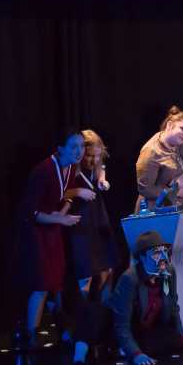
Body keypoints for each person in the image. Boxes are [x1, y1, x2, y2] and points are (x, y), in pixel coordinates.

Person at [14, 129, 84, 345]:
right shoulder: (43, 171)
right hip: (34, 231)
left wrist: (61, 215)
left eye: (82, 146)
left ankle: (61, 327)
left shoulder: (71, 167)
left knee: (57, 280)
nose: (79, 151)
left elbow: (68, 193)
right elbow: (31, 212)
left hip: (52, 228)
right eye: (73, 147)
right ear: (60, 148)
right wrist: (59, 219)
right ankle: (30, 336)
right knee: (42, 284)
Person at [108, 231, 183, 365]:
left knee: (170, 340)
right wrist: (136, 354)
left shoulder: (168, 272)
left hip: (152, 330)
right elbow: (121, 325)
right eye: (156, 253)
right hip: (134, 329)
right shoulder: (129, 279)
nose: (163, 257)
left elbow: (173, 308)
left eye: (165, 251)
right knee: (149, 346)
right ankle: (123, 349)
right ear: (142, 257)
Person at [64, 129, 118, 302]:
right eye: (89, 156)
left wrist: (102, 180)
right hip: (81, 219)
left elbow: (101, 167)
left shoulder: (97, 163)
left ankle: (102, 308)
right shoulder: (70, 168)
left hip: (98, 216)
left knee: (107, 266)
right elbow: (59, 193)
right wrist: (78, 192)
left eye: (97, 155)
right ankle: (83, 310)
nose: (93, 160)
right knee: (85, 271)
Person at [135, 106, 183, 210]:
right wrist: (175, 192)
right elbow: (145, 189)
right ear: (169, 125)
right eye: (182, 129)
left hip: (180, 205)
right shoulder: (151, 151)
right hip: (156, 210)